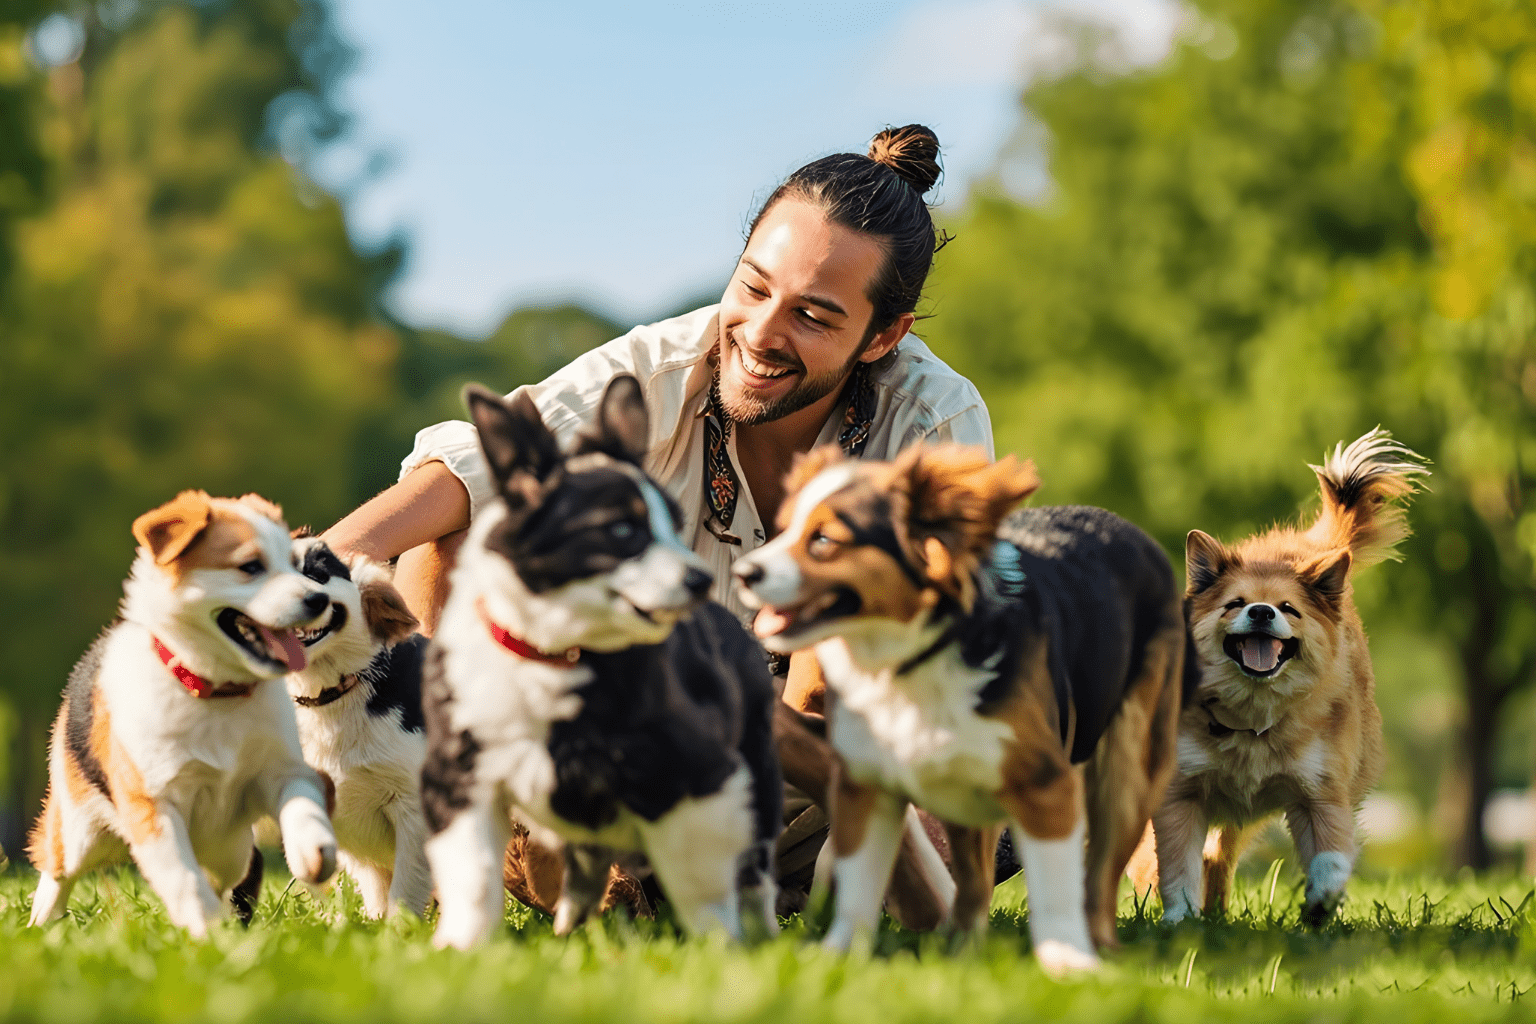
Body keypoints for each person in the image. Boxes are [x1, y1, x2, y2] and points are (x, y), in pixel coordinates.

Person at [323, 124, 993, 921]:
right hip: (605, 727)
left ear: (884, 336)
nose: (762, 333)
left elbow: (899, 663)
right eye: (753, 286)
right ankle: (479, 825)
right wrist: (323, 565)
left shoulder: (935, 422)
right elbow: (480, 461)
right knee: (462, 535)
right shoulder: (661, 367)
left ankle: (708, 877)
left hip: (810, 753)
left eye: (813, 315)